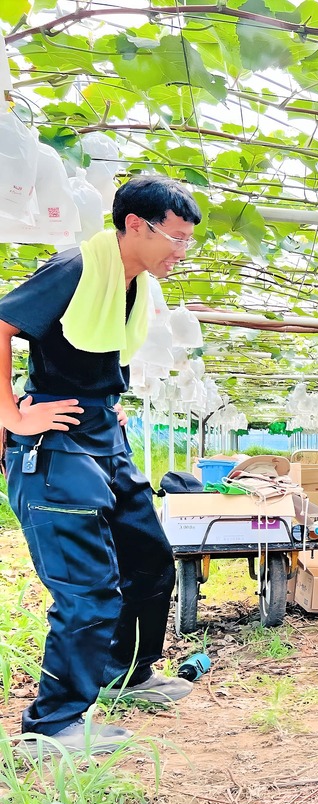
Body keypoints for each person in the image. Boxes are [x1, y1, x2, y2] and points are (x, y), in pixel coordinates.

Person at [2, 174, 203, 756]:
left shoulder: (133, 282)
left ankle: (127, 674)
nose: (181, 251)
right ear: (136, 226)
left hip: (101, 433)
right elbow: (2, 325)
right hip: (57, 443)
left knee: (150, 560)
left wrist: (105, 408)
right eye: (176, 237)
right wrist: (12, 414)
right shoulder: (75, 269)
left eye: (188, 240)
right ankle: (51, 725)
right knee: (89, 589)